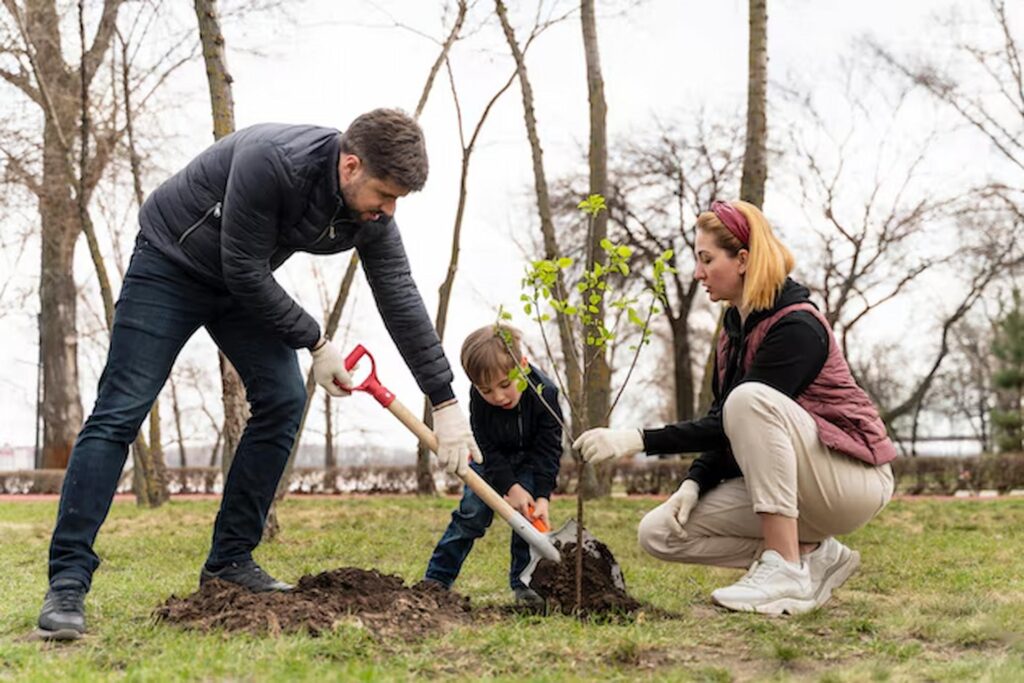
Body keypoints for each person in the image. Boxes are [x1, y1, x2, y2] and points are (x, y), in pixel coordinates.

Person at [36, 109, 482, 640]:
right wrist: (315, 340)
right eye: (384, 195)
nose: (387, 211)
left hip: (240, 281)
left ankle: (229, 560)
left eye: (395, 202)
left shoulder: (371, 216)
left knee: (284, 398)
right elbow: (245, 270)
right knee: (121, 411)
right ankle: (67, 580)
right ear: (351, 165)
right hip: (170, 264)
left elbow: (400, 296)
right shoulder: (274, 161)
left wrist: (445, 400)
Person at [573, 200, 896, 616]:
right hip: (802, 486)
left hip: (852, 480)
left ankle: (784, 570)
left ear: (742, 259)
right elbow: (724, 423)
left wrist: (632, 439)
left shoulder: (798, 326)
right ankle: (814, 554)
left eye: (707, 259)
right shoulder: (733, 330)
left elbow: (736, 415)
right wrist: (694, 483)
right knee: (659, 533)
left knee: (749, 398)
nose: (698, 272)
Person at [423, 324, 563, 607]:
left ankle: (524, 586)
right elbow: (485, 446)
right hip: (489, 462)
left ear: (522, 366)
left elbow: (548, 449)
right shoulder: (479, 398)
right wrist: (508, 486)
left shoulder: (545, 393)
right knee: (470, 515)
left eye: (504, 385)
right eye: (486, 390)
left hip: (529, 462)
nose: (498, 397)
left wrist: (542, 495)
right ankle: (436, 582)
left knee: (527, 523)